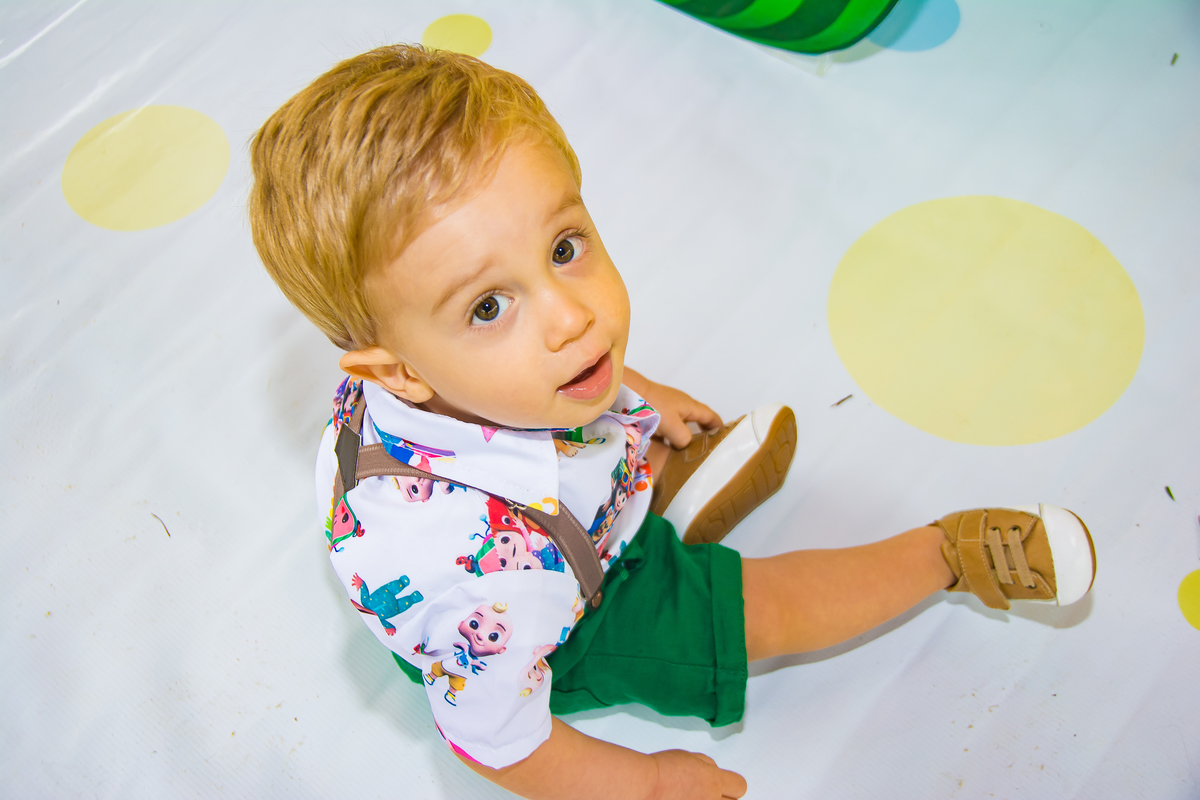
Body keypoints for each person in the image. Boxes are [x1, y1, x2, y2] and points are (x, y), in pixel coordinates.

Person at [247, 44, 1096, 800]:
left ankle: (646, 496)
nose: (573, 318)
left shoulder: (452, 375)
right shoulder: (493, 600)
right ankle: (948, 555)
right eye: (489, 306)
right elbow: (495, 742)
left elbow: (543, 363)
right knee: (764, 609)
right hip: (559, 618)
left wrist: (630, 392)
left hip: (539, 516)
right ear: (395, 369)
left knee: (592, 427)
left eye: (564, 248)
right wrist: (646, 784)